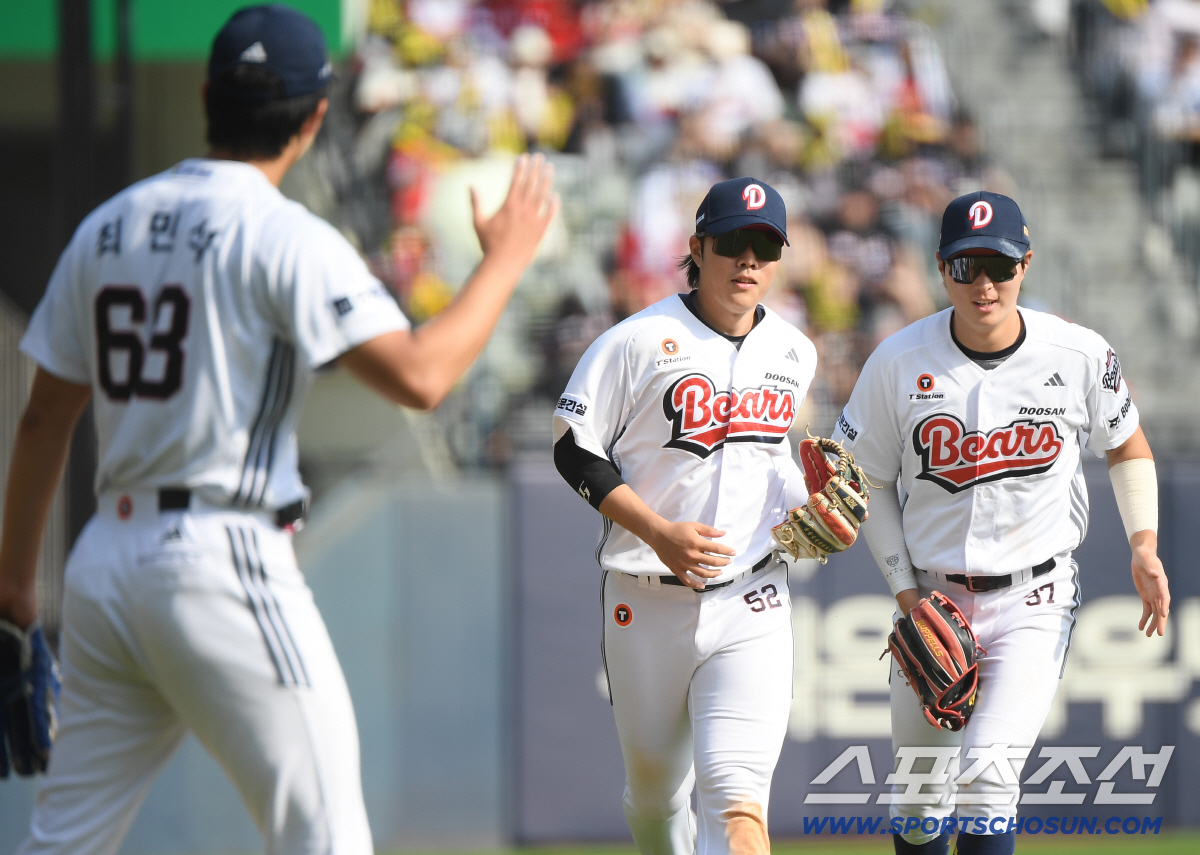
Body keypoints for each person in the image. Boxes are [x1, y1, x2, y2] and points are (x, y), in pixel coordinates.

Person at [0, 5, 557, 854]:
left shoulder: (105, 227)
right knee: (326, 840)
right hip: (218, 555)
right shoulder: (286, 234)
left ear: (205, 96)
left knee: (60, 844)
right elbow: (422, 375)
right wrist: (506, 259)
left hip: (104, 568)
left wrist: (13, 598)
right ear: (315, 116)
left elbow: (44, 415)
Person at [831, 191, 1171, 855]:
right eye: (966, 267)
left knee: (987, 776)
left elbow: (1128, 445)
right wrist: (906, 592)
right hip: (931, 594)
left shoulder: (1076, 353)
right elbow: (863, 476)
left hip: (1033, 597)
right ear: (941, 268)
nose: (984, 283)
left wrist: (1144, 542)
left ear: (1026, 264)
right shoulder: (899, 360)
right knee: (920, 798)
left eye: (999, 264)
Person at [552, 177, 817, 855]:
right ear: (698, 247)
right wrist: (658, 532)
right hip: (644, 602)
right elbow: (573, 450)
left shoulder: (794, 351)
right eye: (734, 242)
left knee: (737, 803)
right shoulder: (637, 341)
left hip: (751, 599)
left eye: (765, 246)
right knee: (656, 800)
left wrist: (811, 509)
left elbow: (770, 462)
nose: (749, 260)